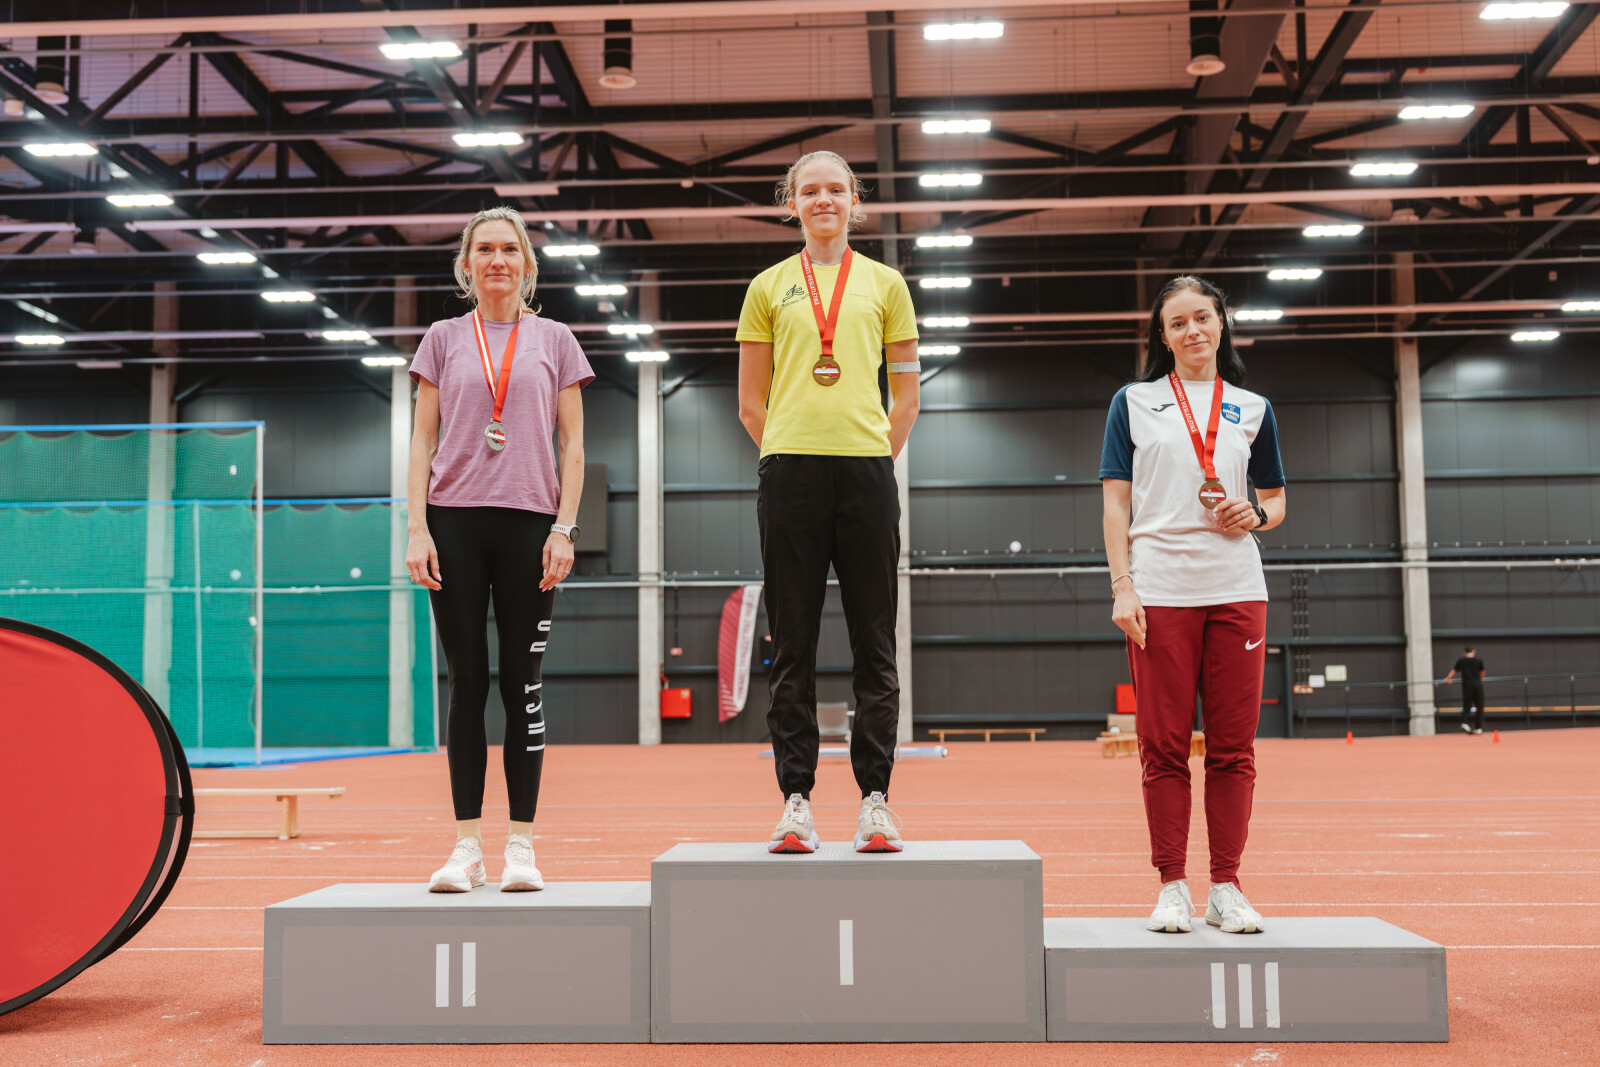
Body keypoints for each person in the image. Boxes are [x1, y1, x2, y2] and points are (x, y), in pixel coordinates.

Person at [736, 150, 921, 853]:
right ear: (791, 202)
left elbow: (906, 397)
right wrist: (790, 451)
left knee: (876, 641)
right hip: (790, 474)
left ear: (854, 201)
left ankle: (876, 800)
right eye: (809, 190)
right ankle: (796, 801)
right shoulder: (767, 286)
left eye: (835, 189)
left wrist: (870, 455)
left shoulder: (886, 284)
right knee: (793, 643)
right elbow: (750, 402)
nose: (823, 200)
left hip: (867, 473)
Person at [405, 206, 593, 891]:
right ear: (467, 264)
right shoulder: (443, 338)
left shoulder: (556, 339)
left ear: (526, 264)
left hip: (530, 524)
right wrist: (417, 528)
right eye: (484, 249)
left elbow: (573, 443)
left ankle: (520, 845)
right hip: (454, 522)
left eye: (509, 249)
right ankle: (466, 847)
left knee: (522, 682)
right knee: (467, 683)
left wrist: (564, 527)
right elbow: (422, 439)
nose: (497, 260)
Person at [1100, 275, 1286, 934]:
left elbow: (1276, 500)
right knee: (1164, 747)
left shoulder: (1253, 407)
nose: (1192, 330)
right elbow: (1115, 504)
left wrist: (1255, 514)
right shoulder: (1134, 402)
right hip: (1160, 591)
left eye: (1202, 317)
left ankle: (1226, 886)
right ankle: (1172, 885)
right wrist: (1123, 585)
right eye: (1177, 322)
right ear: (1163, 335)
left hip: (1237, 589)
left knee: (1234, 749)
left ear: (1221, 322)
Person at [1444, 646, 1487, 734]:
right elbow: (1482, 672)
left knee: (1467, 704)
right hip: (1477, 685)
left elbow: (1454, 671)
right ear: (1473, 651)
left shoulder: (1462, 661)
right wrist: (1479, 680)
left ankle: (1464, 722)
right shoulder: (1478, 660)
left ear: (1464, 652)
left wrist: (1448, 678)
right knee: (1479, 706)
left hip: (1467, 685)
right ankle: (1478, 727)